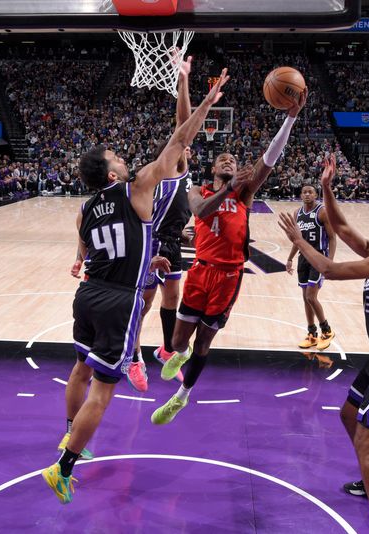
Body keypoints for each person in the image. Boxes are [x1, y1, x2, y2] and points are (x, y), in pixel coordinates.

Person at [42, 64, 230, 505]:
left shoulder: (85, 209)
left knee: (80, 369)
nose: (124, 161)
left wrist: (147, 255)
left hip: (87, 294)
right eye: (117, 160)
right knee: (105, 391)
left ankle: (69, 436)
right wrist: (206, 99)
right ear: (112, 175)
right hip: (119, 301)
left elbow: (98, 249)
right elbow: (180, 141)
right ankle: (63, 467)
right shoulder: (138, 187)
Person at [278, 155, 369, 534]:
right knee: (348, 416)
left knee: (366, 439)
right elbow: (340, 226)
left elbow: (329, 269)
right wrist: (327, 187)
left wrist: (298, 240)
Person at [150, 84, 307, 425]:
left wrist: (290, 118)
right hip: (201, 273)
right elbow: (203, 212)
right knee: (177, 342)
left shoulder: (246, 191)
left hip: (228, 276)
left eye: (233, 161)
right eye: (224, 160)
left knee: (205, 341)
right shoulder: (197, 190)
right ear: (213, 170)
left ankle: (182, 396)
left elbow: (270, 157)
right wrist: (228, 188)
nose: (229, 162)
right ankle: (180, 353)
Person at [128, 58, 196, 392]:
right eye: (182, 149)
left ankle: (166, 348)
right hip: (151, 243)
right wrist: (183, 82)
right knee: (144, 304)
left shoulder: (181, 171)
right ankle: (134, 356)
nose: (187, 149)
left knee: (173, 297)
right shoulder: (169, 167)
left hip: (170, 239)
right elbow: (182, 125)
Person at [285, 184, 337, 351]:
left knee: (311, 296)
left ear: (316, 195)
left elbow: (332, 238)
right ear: (301, 195)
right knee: (305, 298)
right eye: (304, 192)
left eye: (310, 192)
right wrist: (290, 258)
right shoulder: (297, 214)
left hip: (319, 257)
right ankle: (312, 334)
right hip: (303, 258)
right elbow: (297, 240)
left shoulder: (322, 212)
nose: (307, 194)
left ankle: (327, 331)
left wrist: (330, 261)